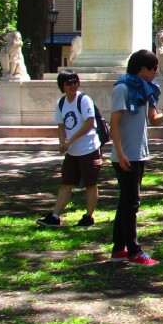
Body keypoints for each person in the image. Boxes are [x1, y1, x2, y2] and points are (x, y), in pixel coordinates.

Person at [109, 50, 163, 266]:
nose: (156, 72)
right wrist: (120, 153)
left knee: (126, 203)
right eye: (153, 68)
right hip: (126, 155)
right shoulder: (123, 88)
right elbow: (114, 124)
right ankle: (133, 251)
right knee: (131, 204)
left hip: (138, 153)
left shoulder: (146, 89)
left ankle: (118, 249)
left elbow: (152, 120)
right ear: (143, 69)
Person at [37, 71, 102, 228]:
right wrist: (62, 142)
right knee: (66, 183)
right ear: (62, 86)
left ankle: (88, 217)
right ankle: (55, 216)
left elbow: (89, 123)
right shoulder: (61, 103)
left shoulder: (84, 100)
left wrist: (70, 140)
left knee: (90, 184)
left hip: (89, 148)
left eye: (75, 82)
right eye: (68, 83)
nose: (73, 85)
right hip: (72, 151)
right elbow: (61, 125)